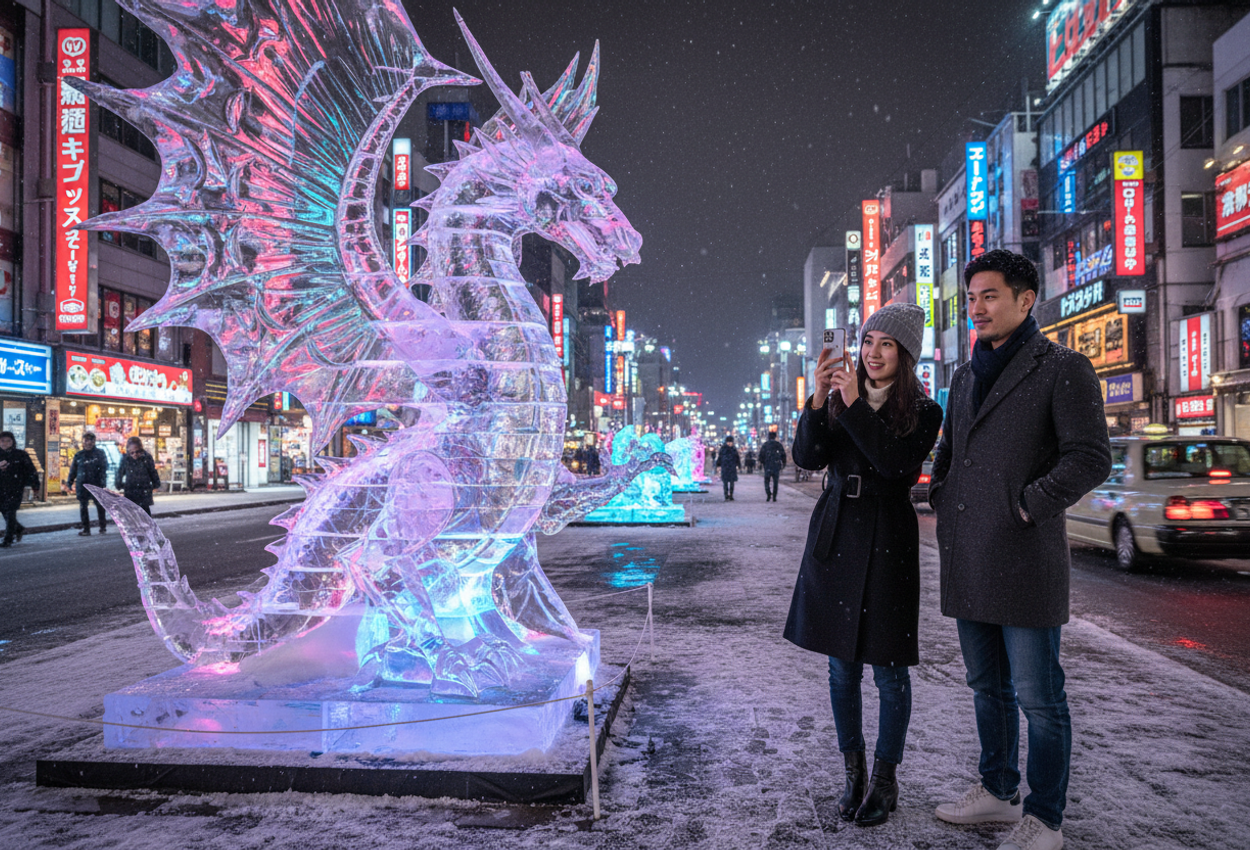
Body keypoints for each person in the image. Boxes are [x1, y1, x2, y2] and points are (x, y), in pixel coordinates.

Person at [929, 250, 1111, 850]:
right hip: (969, 555)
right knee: (987, 686)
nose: (977, 309)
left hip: (1026, 556)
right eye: (971, 298)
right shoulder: (964, 375)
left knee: (1039, 697)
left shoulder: (1063, 367)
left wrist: (1028, 505)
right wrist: (941, 490)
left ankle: (1045, 818)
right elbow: (950, 450)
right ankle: (998, 790)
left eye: (990, 296)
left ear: (1025, 299)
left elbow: (1090, 457)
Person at [784, 303, 942, 828]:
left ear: (905, 355)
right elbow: (808, 457)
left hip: (889, 538)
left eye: (886, 344)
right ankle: (852, 773)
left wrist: (852, 402)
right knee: (841, 668)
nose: (873, 353)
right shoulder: (836, 399)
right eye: (868, 341)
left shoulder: (924, 410)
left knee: (889, 671)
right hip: (836, 533)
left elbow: (894, 464)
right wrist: (817, 398)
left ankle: (885, 780)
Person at [0, 431, 37, 548]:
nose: (5, 443)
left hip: (15, 488)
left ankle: (8, 539)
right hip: (1, 489)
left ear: (13, 442)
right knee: (4, 512)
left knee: (10, 512)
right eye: (2, 441)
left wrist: (35, 486)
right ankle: (18, 528)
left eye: (8, 441)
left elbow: (31, 470)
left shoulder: (20, 455)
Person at [67, 432, 109, 535]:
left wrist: (102, 482)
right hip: (82, 484)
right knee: (83, 506)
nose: (88, 443)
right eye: (86, 440)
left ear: (94, 442)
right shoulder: (79, 455)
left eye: (91, 440)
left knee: (100, 505)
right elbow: (73, 470)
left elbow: (104, 468)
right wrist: (70, 482)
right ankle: (86, 529)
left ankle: (102, 527)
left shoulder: (100, 453)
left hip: (96, 483)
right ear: (83, 442)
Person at [116, 436, 161, 516]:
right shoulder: (126, 459)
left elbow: (152, 471)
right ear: (128, 451)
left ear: (141, 449)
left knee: (145, 513)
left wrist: (155, 484)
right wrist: (119, 483)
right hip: (131, 489)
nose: (135, 454)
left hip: (143, 489)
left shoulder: (146, 458)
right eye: (132, 452)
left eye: (137, 452)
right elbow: (120, 472)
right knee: (131, 514)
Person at [758, 430, 787, 501]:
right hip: (776, 466)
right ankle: (774, 496)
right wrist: (784, 463)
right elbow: (783, 455)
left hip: (767, 465)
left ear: (768, 437)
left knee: (767, 481)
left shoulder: (765, 445)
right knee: (775, 482)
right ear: (775, 437)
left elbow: (761, 455)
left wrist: (761, 464)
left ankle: (768, 494)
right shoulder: (778, 445)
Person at [717, 435, 740, 500]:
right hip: (725, 467)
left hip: (732, 467)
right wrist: (718, 465)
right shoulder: (723, 449)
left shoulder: (734, 449)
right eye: (728, 442)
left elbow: (737, 458)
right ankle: (726, 495)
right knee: (725, 482)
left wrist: (738, 465)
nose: (729, 443)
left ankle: (731, 495)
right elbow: (720, 458)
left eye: (730, 442)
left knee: (732, 482)